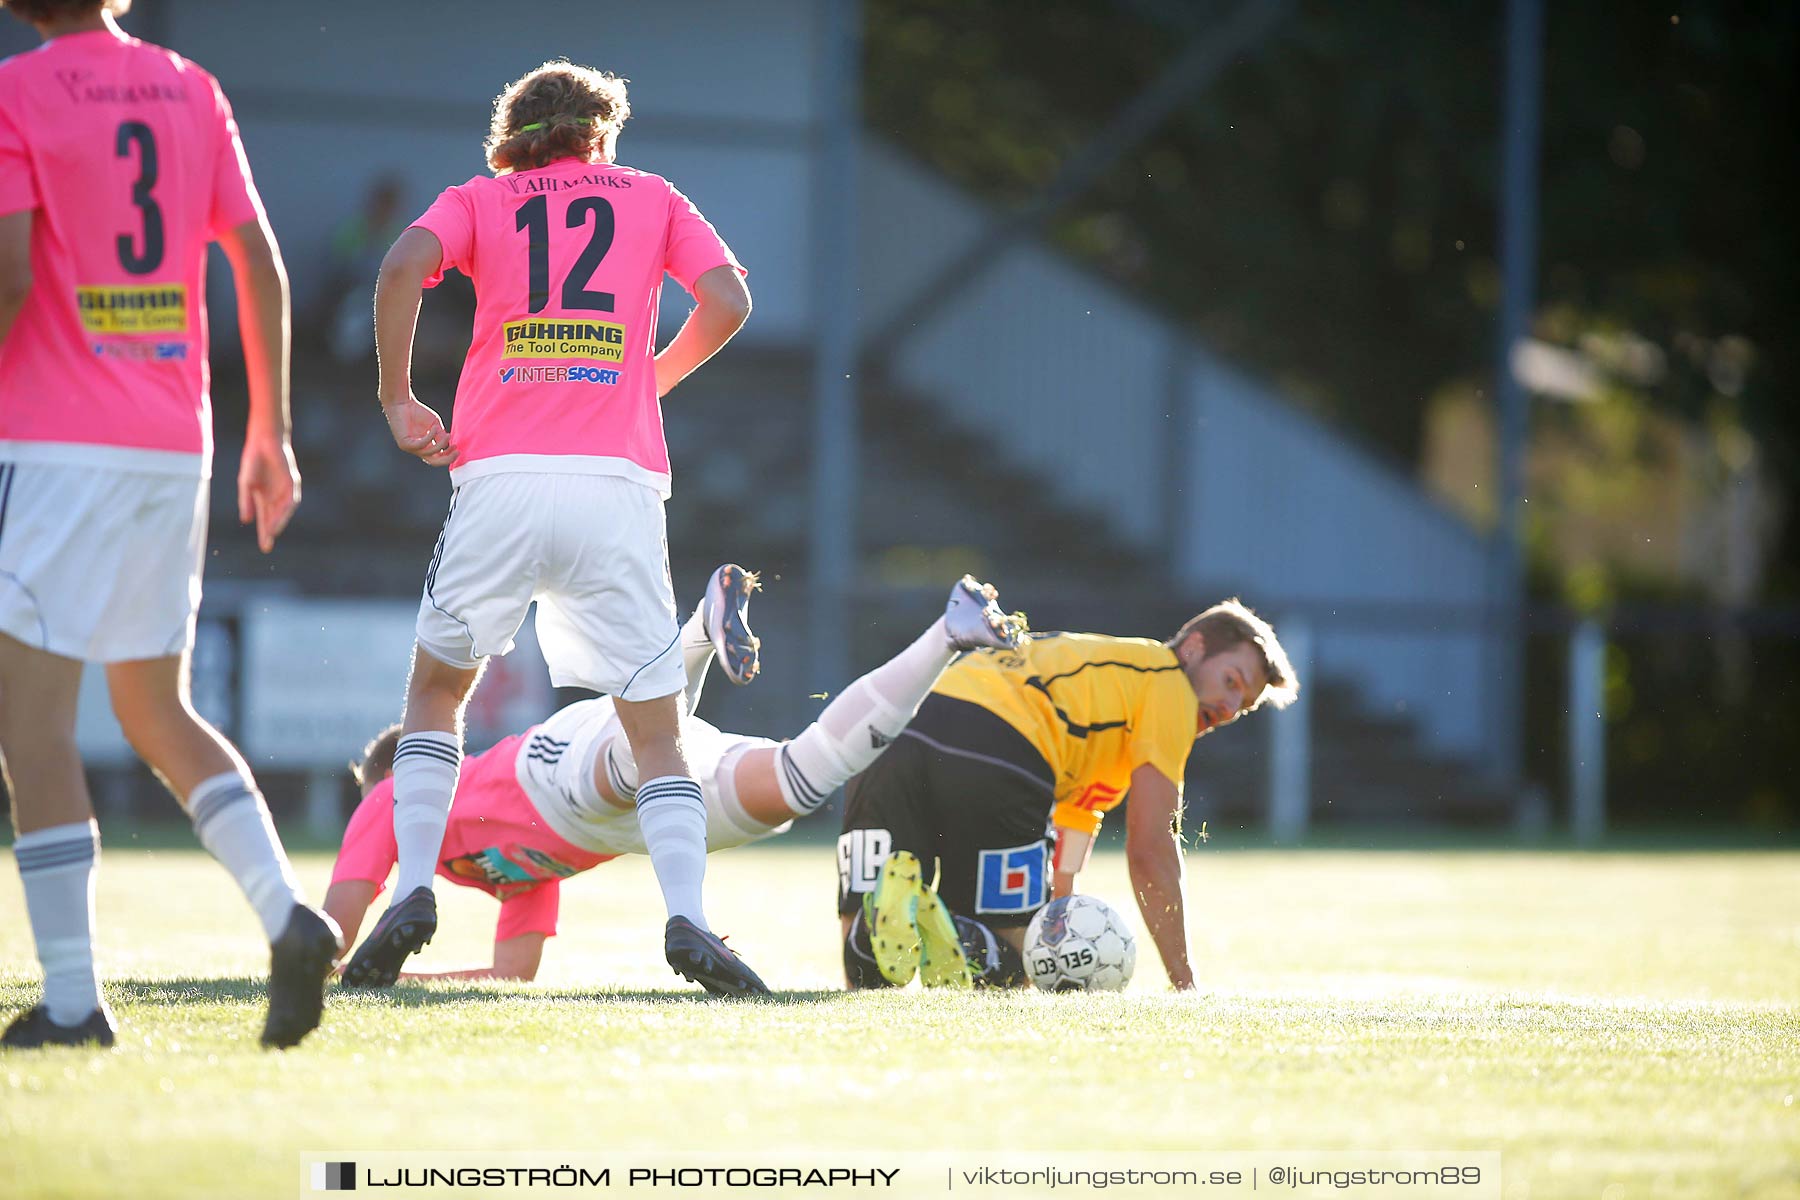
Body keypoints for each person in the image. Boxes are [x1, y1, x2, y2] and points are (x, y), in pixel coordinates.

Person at [351, 60, 759, 994]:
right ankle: (689, 920)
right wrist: (646, 379)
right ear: (602, 135)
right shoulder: (651, 195)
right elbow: (729, 301)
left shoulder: (480, 199)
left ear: (517, 135)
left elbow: (402, 265)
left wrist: (397, 397)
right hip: (616, 484)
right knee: (655, 732)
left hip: (498, 477)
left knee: (436, 693)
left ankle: (414, 888)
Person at [0, 0, 340, 1048]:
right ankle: (290, 915)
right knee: (155, 710)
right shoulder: (191, 87)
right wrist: (269, 432)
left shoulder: (16, 93)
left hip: (57, 448)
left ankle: (70, 1001)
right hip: (172, 440)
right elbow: (260, 263)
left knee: (34, 731)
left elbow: (11, 278)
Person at [327, 569, 1024, 987]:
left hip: (555, 768)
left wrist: (329, 968)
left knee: (621, 769)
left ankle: (694, 636)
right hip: (645, 821)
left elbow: (334, 930)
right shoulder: (511, 871)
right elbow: (515, 977)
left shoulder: (392, 790)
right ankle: (951, 633)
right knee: (799, 782)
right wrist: (408, 979)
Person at [839, 601, 1299, 992]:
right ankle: (973, 942)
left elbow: (1072, 831)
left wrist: (1057, 917)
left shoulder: (1108, 695)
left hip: (898, 725)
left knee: (868, 964)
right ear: (1194, 648)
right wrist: (1185, 983)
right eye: (1232, 682)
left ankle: (871, 938)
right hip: (999, 742)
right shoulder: (1167, 685)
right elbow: (1151, 848)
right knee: (1011, 968)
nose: (1228, 709)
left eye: (1245, 705)